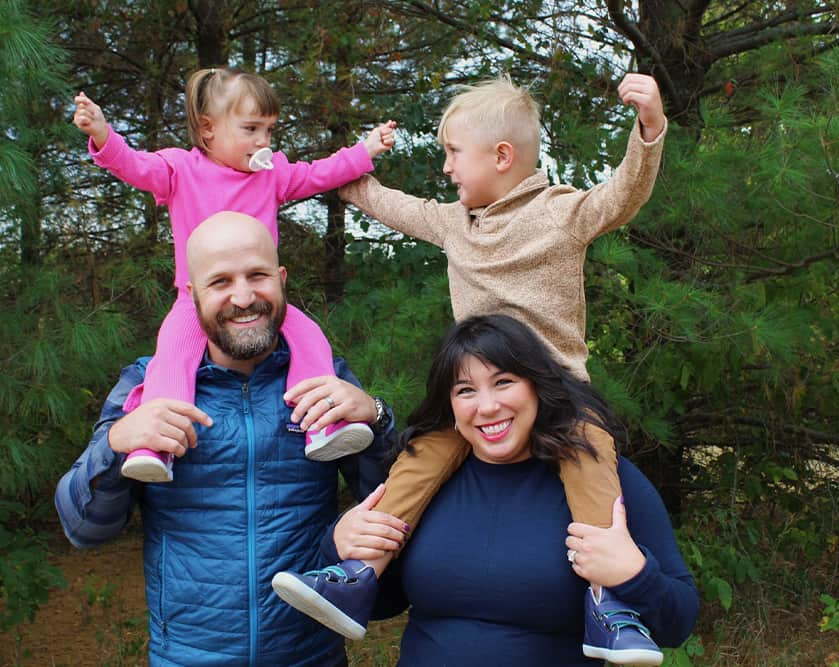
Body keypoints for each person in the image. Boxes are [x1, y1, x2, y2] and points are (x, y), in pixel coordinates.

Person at [273, 73, 669, 660]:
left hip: (559, 391)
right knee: (417, 458)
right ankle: (359, 576)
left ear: (501, 156)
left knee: (590, 459)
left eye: (454, 153)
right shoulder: (456, 224)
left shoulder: (563, 213)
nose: (447, 167)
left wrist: (650, 128)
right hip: (474, 395)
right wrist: (324, 170)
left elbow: (623, 194)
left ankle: (608, 603)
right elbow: (390, 204)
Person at [54, 211, 396, 666]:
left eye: (257, 275)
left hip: (310, 654)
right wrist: (115, 443)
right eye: (220, 282)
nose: (243, 296)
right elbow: (84, 529)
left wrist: (375, 417)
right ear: (192, 296)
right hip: (189, 656)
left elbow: (392, 500)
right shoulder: (147, 386)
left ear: (281, 279)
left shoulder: (326, 382)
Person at [73, 66, 396, 483]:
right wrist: (102, 134)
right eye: (251, 129)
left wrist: (364, 151)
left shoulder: (271, 173)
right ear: (208, 129)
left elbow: (319, 173)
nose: (263, 141)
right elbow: (133, 166)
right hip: (196, 303)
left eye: (269, 130)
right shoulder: (178, 170)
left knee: (311, 340)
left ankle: (321, 426)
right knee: (170, 360)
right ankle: (153, 445)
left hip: (265, 300)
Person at [318, 315, 698, 665]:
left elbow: (677, 624)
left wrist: (635, 574)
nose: (487, 406)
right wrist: (337, 545)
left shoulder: (604, 481)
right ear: (449, 404)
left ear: (537, 385)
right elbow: (382, 603)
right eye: (465, 390)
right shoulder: (425, 482)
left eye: (503, 382)